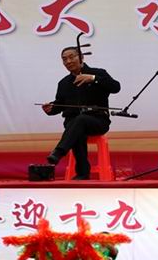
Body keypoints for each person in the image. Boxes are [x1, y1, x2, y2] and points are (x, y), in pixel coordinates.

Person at [42, 47, 121, 180]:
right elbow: (60, 105)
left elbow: (116, 87)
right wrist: (51, 109)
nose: (68, 61)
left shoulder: (98, 73)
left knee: (80, 121)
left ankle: (59, 152)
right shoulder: (63, 83)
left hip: (98, 120)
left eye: (71, 57)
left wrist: (93, 78)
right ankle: (82, 173)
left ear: (81, 57)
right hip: (74, 123)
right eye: (64, 59)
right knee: (76, 126)